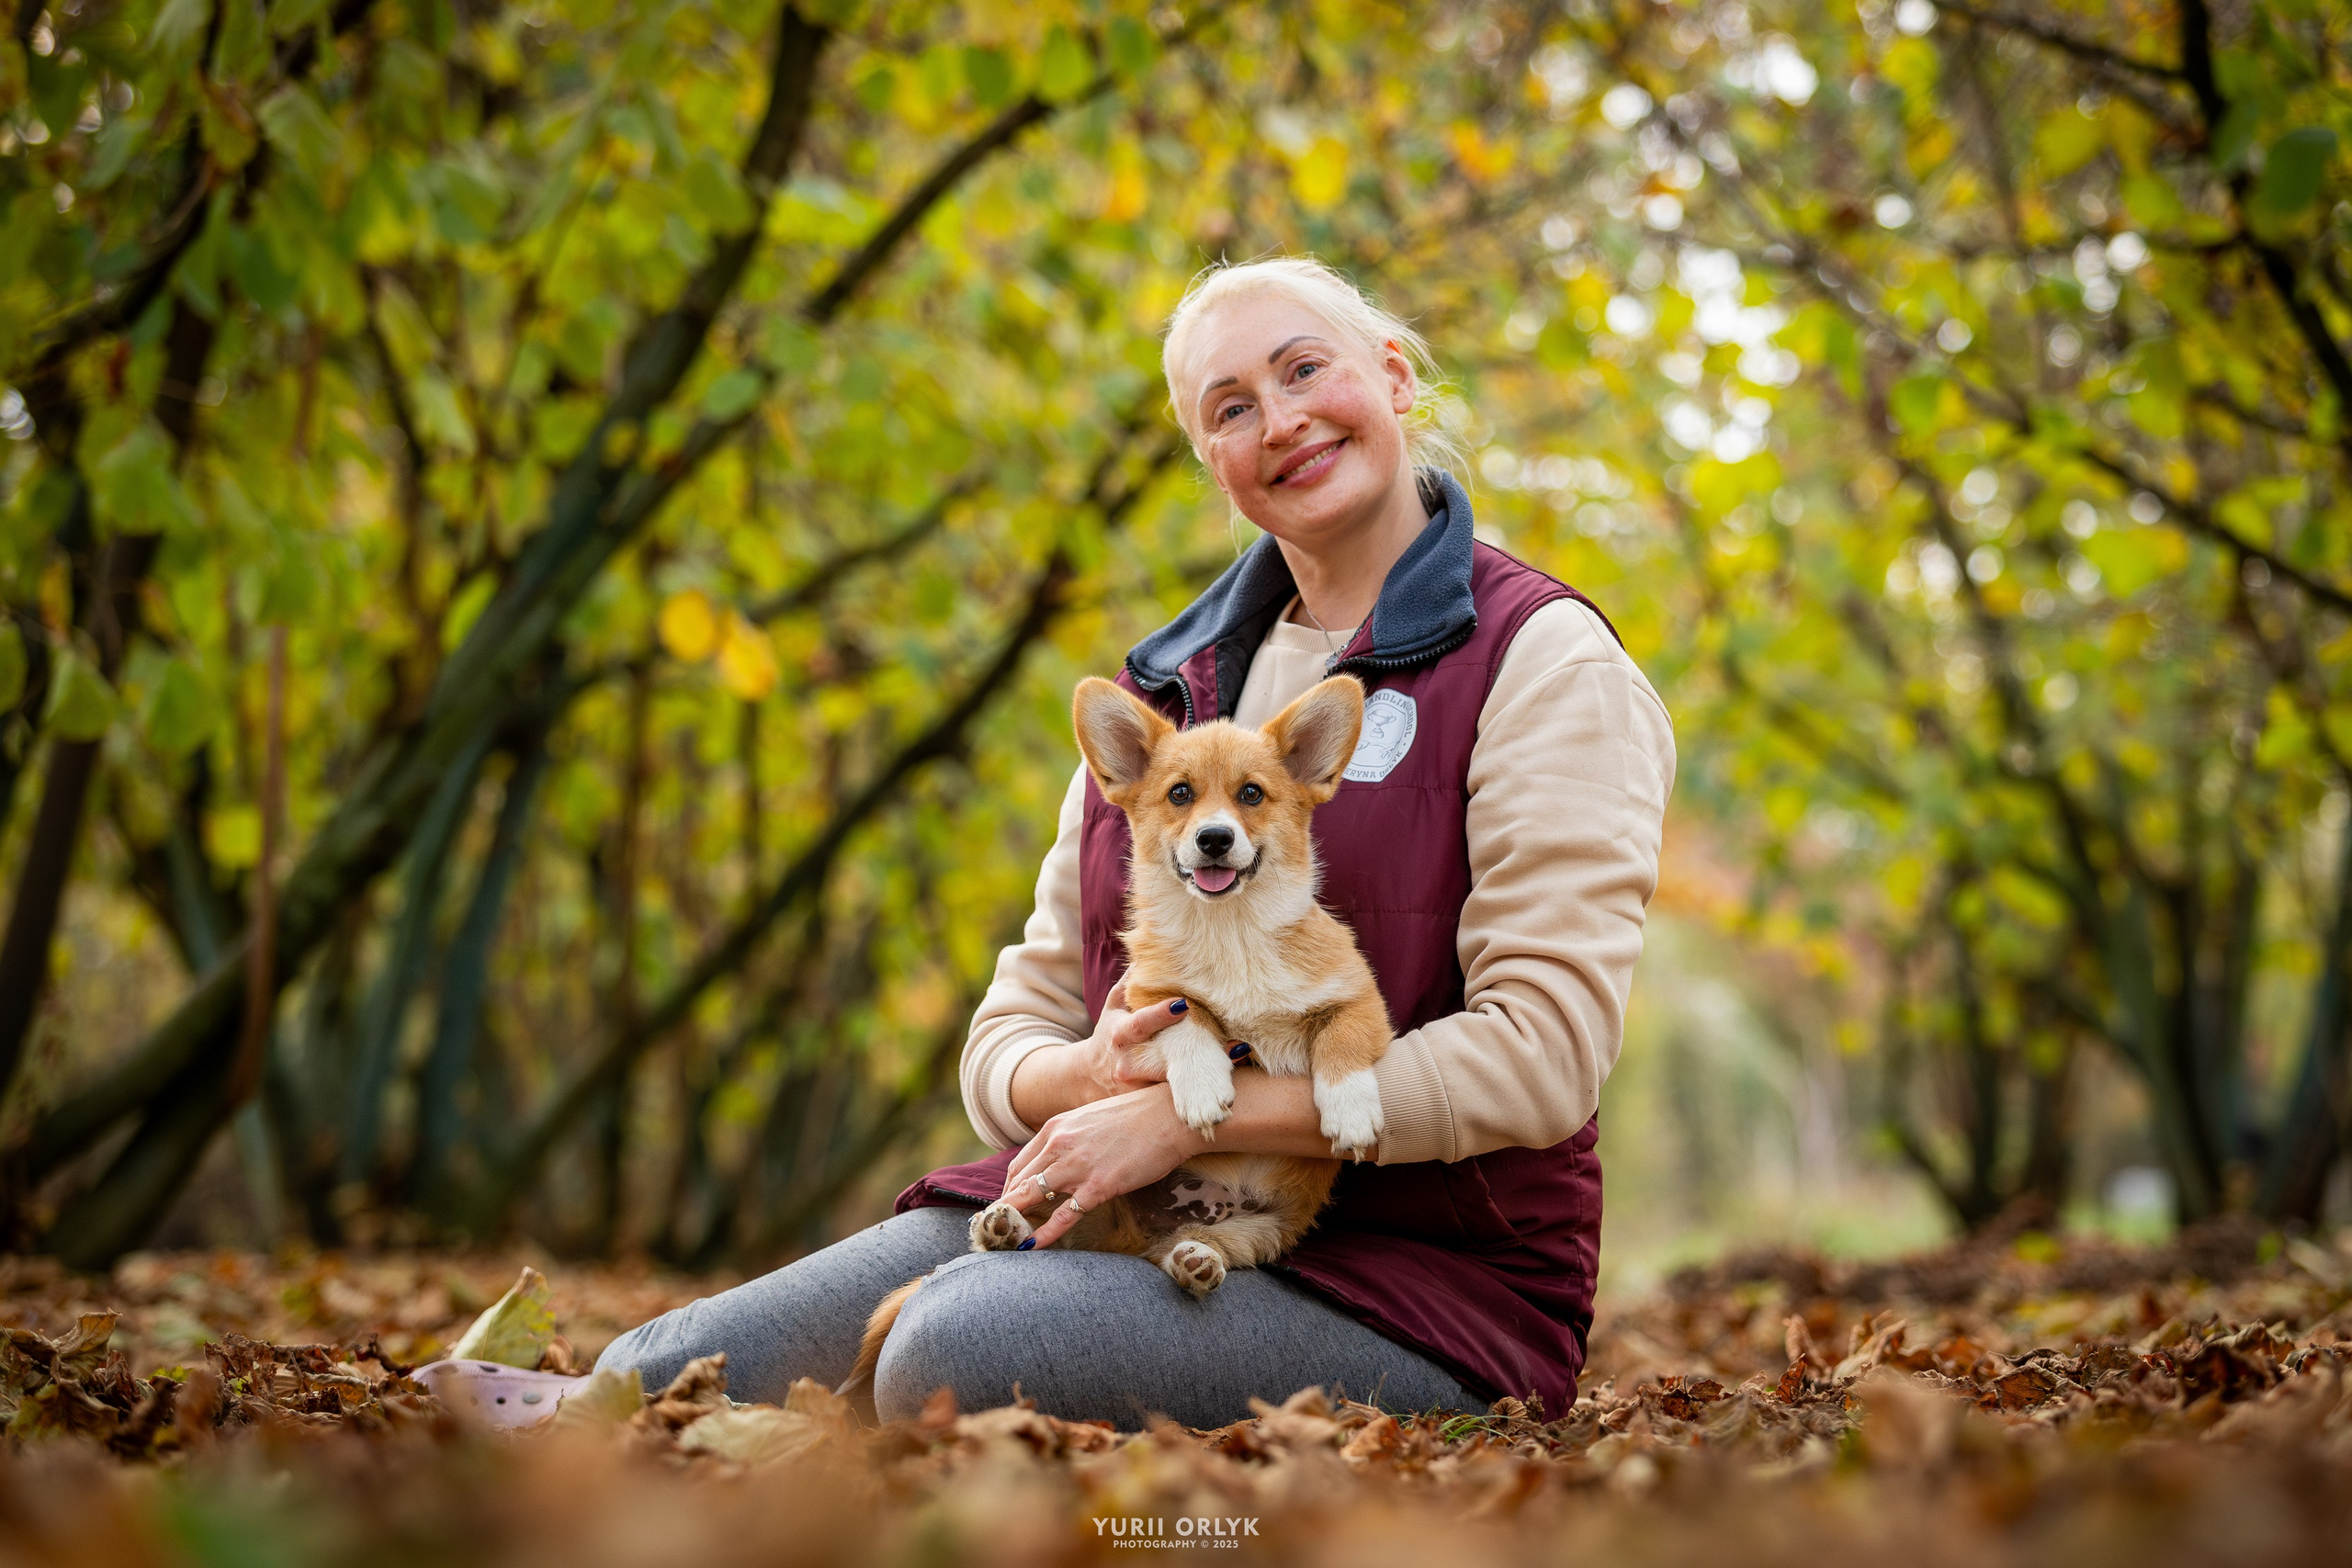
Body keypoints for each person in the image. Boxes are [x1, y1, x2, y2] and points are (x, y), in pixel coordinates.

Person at [596, 256, 1676, 1429]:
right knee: (653, 1370)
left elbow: (1541, 1055)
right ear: (1210, 461)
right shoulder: (1165, 692)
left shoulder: (1542, 662)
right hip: (1115, 1205)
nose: (1282, 421)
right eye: (1230, 408)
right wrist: (1108, 1073)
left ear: (1395, 378)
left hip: (1419, 1283)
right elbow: (1010, 1035)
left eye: (1305, 369)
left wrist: (1187, 1117)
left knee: (943, 1355)